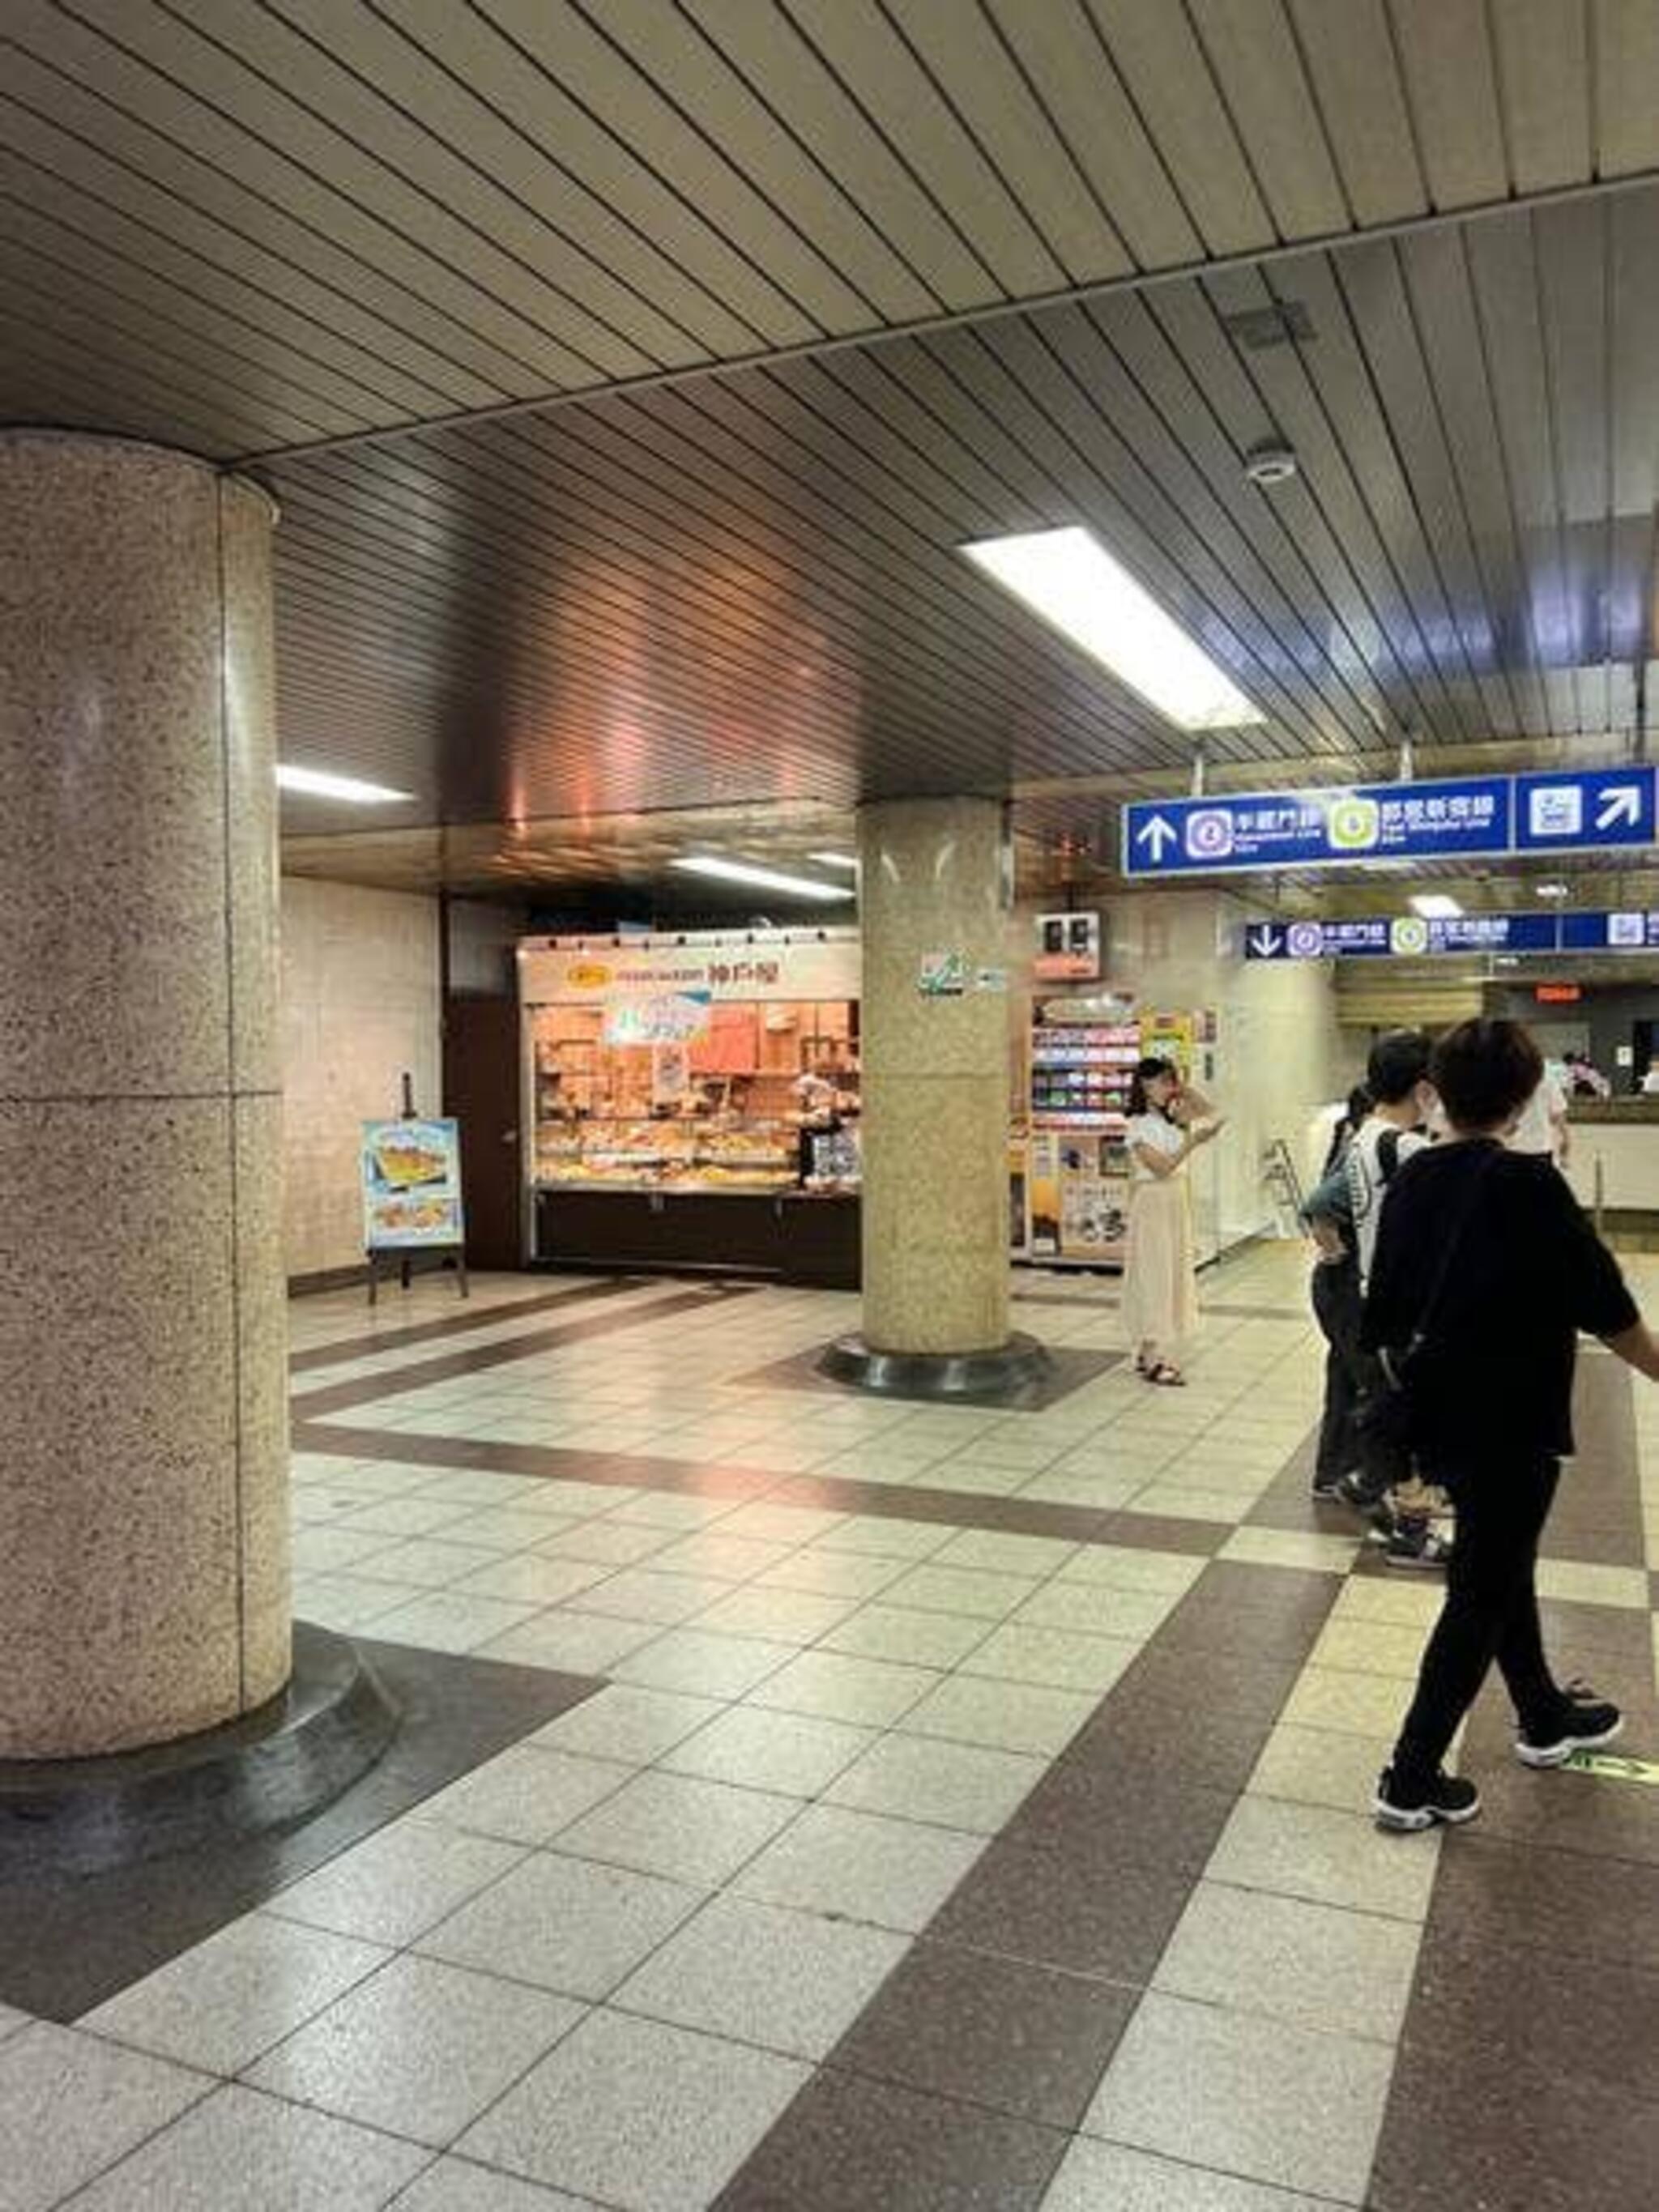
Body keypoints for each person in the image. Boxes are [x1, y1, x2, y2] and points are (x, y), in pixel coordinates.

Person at [1363, 1017, 1659, 1831]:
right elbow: (1607, 1310)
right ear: (1526, 1093)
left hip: (1436, 1415)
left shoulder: (1413, 1181)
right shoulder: (1529, 1186)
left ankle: (1539, 1715)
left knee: (1499, 1567)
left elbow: (1379, 1312)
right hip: (1511, 1422)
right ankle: (1410, 1774)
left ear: (1437, 1091)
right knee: (1478, 1589)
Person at [1330, 1030, 1451, 1568]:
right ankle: (1410, 1527)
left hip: (1374, 1293)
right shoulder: (1403, 1145)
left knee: (1403, 1405)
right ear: (1424, 1089)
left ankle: (1371, 1482)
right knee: (1417, 1416)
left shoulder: (1362, 1136)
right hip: (1408, 1304)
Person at [1122, 1057, 1223, 1386]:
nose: (1168, 1089)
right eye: (1162, 1082)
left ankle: (1147, 1349)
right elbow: (1161, 1167)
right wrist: (1191, 1143)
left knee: (1172, 1273)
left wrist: (1183, 1087)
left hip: (1174, 1201)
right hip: (1152, 1201)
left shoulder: (1172, 1118)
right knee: (1155, 1274)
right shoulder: (1137, 1126)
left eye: (1170, 1082)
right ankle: (1152, 1354)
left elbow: (1213, 1112)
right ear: (1144, 1085)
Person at [1300, 1085, 1371, 1498]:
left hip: (1338, 1282)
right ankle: (1364, 1477)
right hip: (1345, 1281)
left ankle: (1336, 1473)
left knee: (1346, 1376)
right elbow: (1319, 1203)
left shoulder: (1352, 1140)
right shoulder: (1366, 1149)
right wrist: (1335, 1250)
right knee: (1366, 1380)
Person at [1508, 1055, 1570, 1166]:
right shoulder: (1549, 1080)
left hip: (1515, 1148)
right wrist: (1565, 1139)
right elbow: (1558, 1115)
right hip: (1541, 1147)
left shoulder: (1512, 1081)